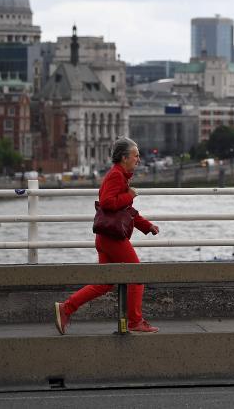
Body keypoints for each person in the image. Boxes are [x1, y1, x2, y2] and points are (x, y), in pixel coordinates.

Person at [54, 137, 160, 334]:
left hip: (105, 237)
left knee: (103, 283)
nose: (138, 159)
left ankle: (65, 308)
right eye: (135, 156)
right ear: (124, 157)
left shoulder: (121, 176)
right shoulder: (116, 176)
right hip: (112, 239)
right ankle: (135, 321)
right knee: (137, 275)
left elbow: (127, 212)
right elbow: (107, 203)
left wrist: (147, 226)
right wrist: (130, 194)